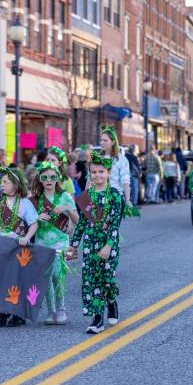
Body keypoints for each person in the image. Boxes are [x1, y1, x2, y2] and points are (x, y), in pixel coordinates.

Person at [68, 151, 123, 334]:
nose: (97, 175)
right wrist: (74, 244)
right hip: (90, 243)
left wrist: (108, 245)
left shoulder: (115, 196)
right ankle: (97, 318)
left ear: (108, 172)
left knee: (106, 279)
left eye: (101, 171)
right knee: (92, 280)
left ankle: (111, 301)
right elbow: (82, 222)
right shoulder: (86, 196)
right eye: (94, 172)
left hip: (108, 244)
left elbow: (115, 223)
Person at [0, 167, 38, 328]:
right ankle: (4, 311)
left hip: (19, 247)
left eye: (5, 182)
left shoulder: (25, 203)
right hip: (3, 246)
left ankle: (19, 314)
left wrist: (27, 237)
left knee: (17, 279)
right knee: (3, 279)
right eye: (0, 182)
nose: (1, 185)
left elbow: (33, 224)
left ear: (16, 184)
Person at [31, 161, 78, 325]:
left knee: (58, 275)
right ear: (40, 179)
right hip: (42, 242)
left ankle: (61, 309)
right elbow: (27, 222)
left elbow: (76, 219)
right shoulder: (36, 199)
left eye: (53, 176)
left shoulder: (64, 196)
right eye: (45, 177)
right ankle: (51, 312)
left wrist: (66, 208)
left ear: (58, 178)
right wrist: (36, 218)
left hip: (60, 242)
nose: (49, 180)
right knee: (47, 277)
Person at [99, 125, 132, 211]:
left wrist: (127, 199)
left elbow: (125, 180)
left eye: (105, 140)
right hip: (97, 197)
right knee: (98, 224)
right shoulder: (97, 158)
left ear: (113, 142)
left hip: (114, 197)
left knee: (109, 224)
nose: (102, 142)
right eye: (101, 140)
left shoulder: (121, 159)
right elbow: (90, 178)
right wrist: (86, 196)